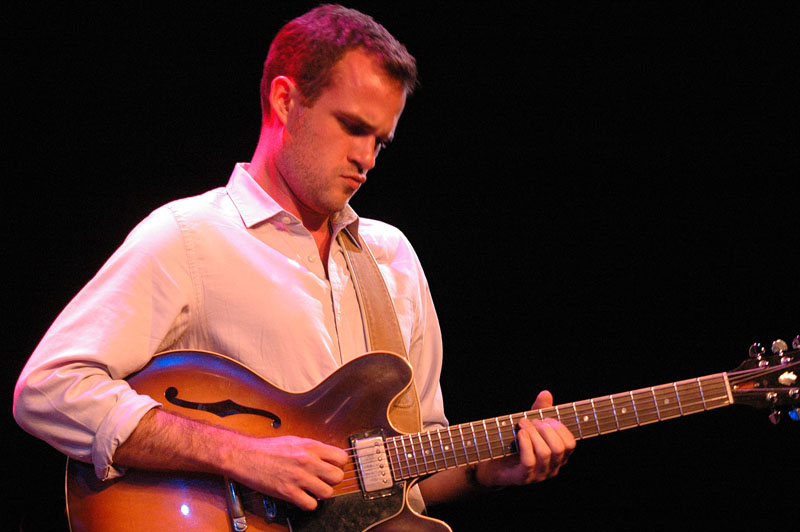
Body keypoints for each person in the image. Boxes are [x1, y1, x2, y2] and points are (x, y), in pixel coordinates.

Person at [13, 3, 575, 523]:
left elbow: (409, 476)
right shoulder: (189, 237)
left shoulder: (394, 258)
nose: (366, 158)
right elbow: (48, 388)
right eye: (353, 127)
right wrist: (241, 455)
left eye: (381, 141)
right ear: (286, 101)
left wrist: (489, 471)